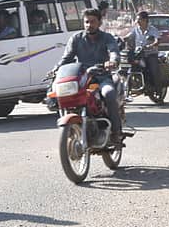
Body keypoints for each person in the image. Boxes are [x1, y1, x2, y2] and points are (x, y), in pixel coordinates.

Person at [57, 8, 122, 141]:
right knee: (62, 95)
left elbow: (113, 51)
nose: (89, 25)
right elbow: (67, 58)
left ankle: (116, 131)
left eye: (92, 22)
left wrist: (112, 61)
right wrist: (56, 70)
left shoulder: (107, 38)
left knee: (109, 93)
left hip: (102, 77)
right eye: (86, 22)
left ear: (99, 22)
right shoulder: (76, 38)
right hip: (82, 78)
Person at [127, 11, 161, 90]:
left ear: (145, 20)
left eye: (139, 19)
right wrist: (120, 39)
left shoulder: (153, 30)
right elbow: (128, 36)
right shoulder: (136, 29)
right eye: (137, 20)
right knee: (131, 65)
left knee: (153, 70)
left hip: (150, 53)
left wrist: (151, 45)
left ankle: (157, 87)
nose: (137, 22)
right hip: (138, 54)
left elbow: (157, 40)